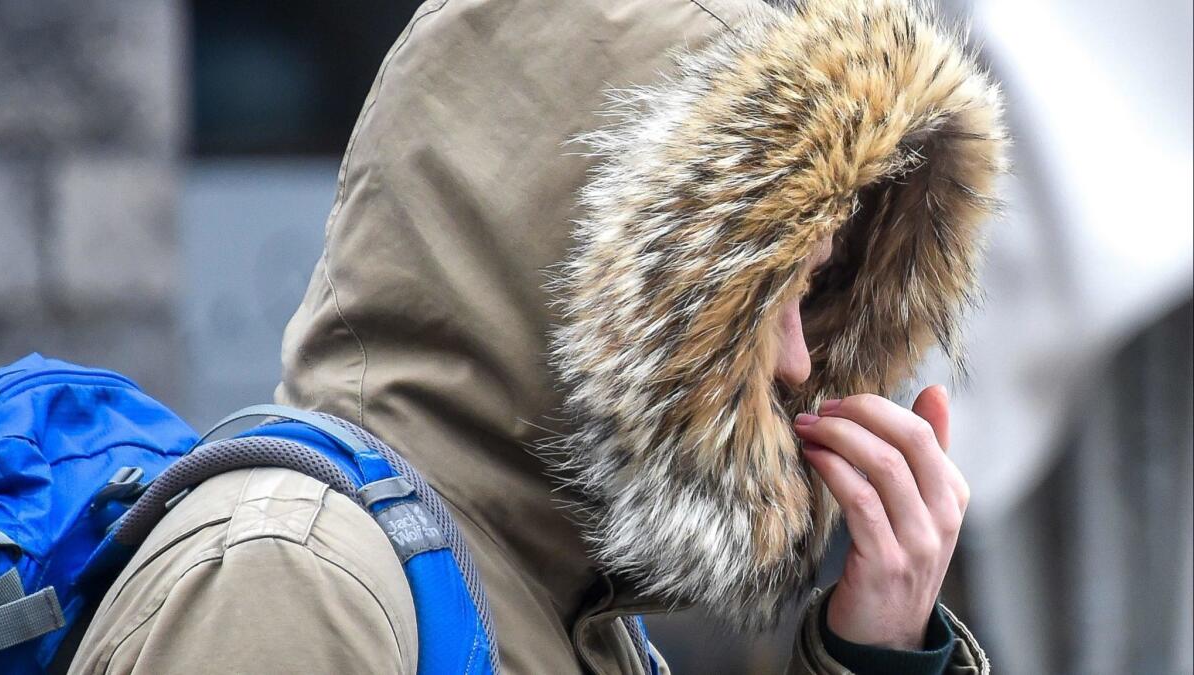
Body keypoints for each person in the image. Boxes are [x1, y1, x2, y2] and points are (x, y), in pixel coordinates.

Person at [70, 0, 1006, 672]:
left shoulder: (565, 603)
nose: (802, 362)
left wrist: (873, 651)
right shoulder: (296, 578)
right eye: (771, 296)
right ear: (610, 276)